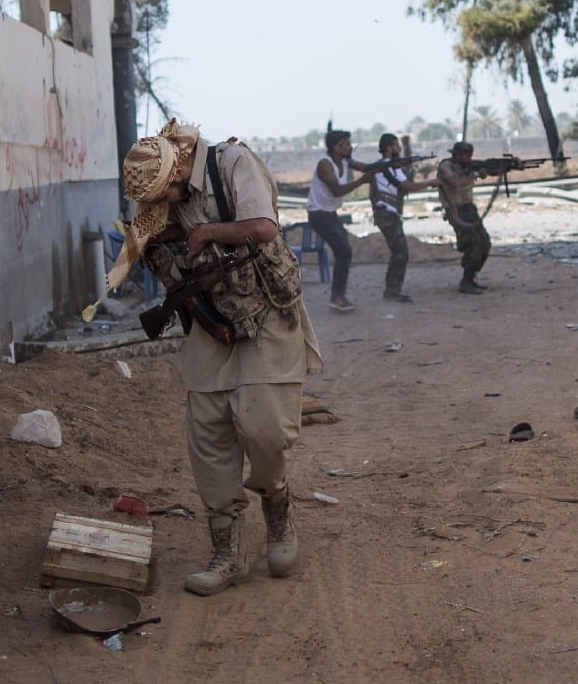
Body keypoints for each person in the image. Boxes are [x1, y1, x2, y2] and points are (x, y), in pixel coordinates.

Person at [87, 118, 322, 597]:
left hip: (266, 313)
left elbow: (263, 226)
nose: (157, 209)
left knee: (266, 430)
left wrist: (208, 231)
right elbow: (139, 244)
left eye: (161, 198)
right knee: (208, 431)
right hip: (211, 321)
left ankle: (276, 505)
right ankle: (227, 553)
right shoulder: (160, 194)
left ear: (176, 176)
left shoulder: (233, 164)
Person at [306, 124, 373, 313]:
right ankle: (337, 297)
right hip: (318, 215)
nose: (350, 147)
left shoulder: (345, 161)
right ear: (336, 147)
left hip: (330, 214)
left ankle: (338, 296)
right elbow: (336, 191)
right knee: (344, 250)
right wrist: (362, 180)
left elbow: (365, 167)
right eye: (347, 144)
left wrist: (386, 165)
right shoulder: (325, 165)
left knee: (344, 251)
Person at [369, 133, 439, 302]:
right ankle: (392, 292)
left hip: (388, 213)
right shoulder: (386, 166)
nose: (398, 149)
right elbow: (407, 185)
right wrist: (430, 183)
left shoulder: (390, 166)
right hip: (386, 213)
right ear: (389, 148)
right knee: (401, 252)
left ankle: (392, 290)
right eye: (396, 145)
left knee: (399, 252)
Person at [437, 140, 492, 295]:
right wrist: (475, 174)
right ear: (458, 155)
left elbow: (493, 171)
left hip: (469, 208)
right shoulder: (446, 166)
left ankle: (471, 277)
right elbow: (455, 183)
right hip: (455, 209)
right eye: (465, 156)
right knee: (472, 242)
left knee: (484, 243)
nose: (467, 159)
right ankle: (466, 281)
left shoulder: (468, 166)